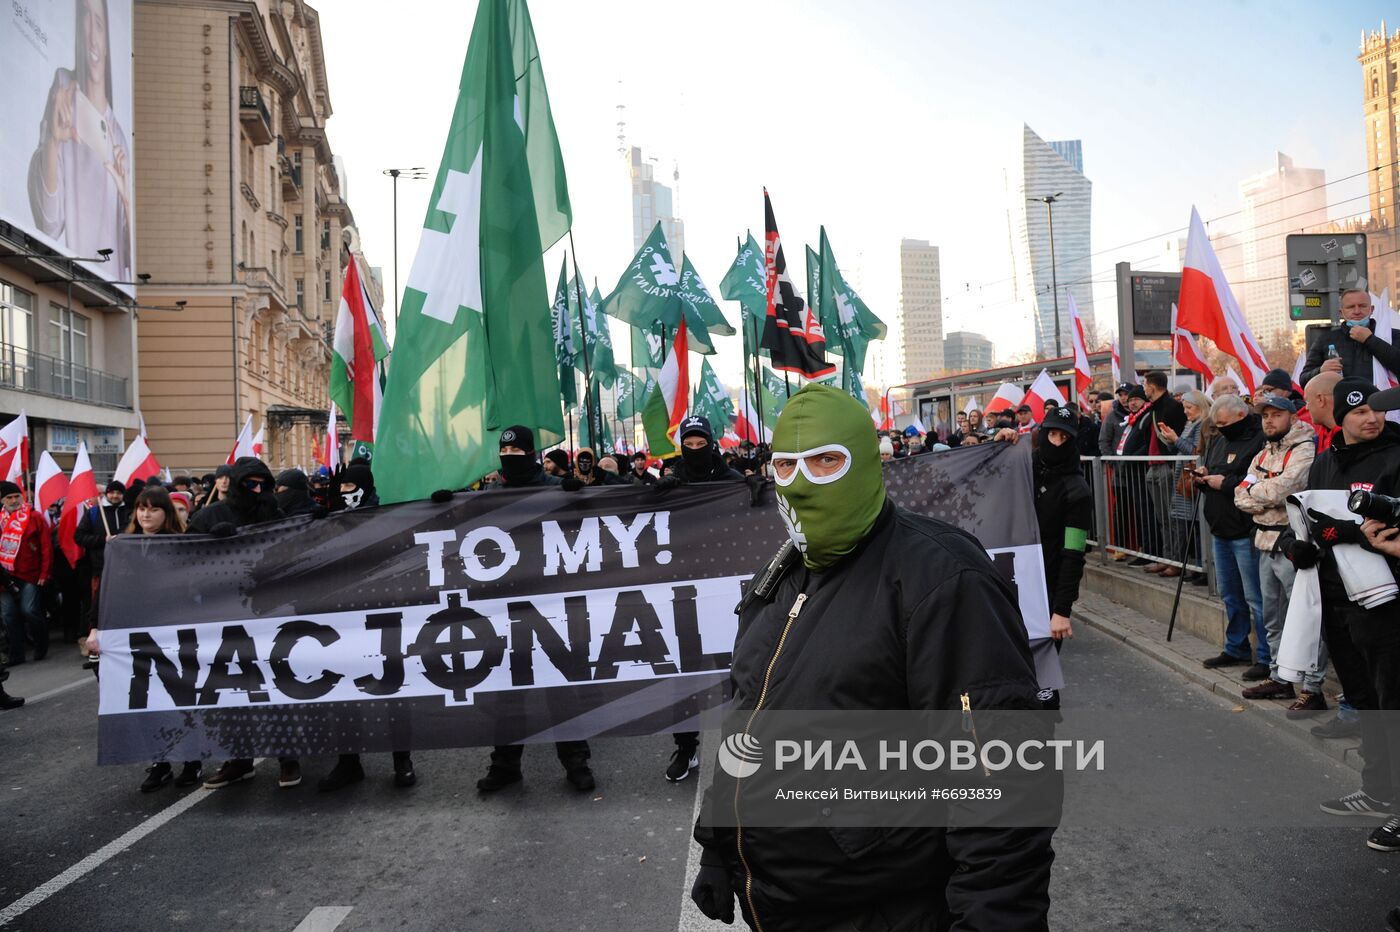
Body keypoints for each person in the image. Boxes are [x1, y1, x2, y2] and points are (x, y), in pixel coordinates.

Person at [689, 384, 1054, 930]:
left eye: (826, 462)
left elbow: (1001, 780)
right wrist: (720, 846)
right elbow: (749, 713)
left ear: (865, 464)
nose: (803, 484)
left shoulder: (942, 578)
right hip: (781, 905)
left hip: (888, 908)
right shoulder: (783, 573)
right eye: (785, 467)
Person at [1283, 380, 1400, 847]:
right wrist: (1299, 547)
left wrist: (1346, 533)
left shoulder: (1396, 456)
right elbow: (1307, 521)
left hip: (1386, 600)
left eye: (1376, 411)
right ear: (1339, 416)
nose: (1371, 419)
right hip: (1335, 599)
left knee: (1393, 704)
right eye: (1359, 413)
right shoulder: (1327, 460)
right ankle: (1378, 791)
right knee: (1365, 703)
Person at [478, 426, 595, 793]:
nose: (509, 459)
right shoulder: (491, 494)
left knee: (561, 690)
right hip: (506, 607)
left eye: (517, 453)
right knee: (508, 694)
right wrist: (447, 508)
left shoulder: (553, 487)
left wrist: (580, 498)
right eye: (504, 453)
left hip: (552, 605)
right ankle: (505, 765)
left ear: (530, 453)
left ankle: (576, 763)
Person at [190, 458, 298, 789]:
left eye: (263, 484)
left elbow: (294, 551)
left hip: (268, 614)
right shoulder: (210, 516)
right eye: (249, 484)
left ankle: (288, 756)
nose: (257, 490)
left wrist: (315, 522)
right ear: (236, 484)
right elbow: (183, 559)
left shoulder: (274, 514)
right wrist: (209, 539)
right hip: (225, 617)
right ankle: (239, 759)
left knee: (276, 687)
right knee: (233, 690)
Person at [86, 487, 202, 791]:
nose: (146, 514)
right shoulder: (123, 547)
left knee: (180, 697)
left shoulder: (179, 545)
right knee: (144, 699)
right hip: (134, 633)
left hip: (172, 632)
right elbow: (107, 592)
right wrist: (94, 627)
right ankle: (159, 761)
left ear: (166, 513)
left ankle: (192, 761)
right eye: (141, 509)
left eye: (153, 509)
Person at [317, 461, 415, 792]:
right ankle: (348, 763)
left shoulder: (386, 518)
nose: (345, 494)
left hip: (382, 616)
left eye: (349, 487)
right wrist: (324, 518)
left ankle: (402, 761)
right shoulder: (334, 520)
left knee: (391, 693)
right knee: (344, 695)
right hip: (342, 619)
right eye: (341, 488)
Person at [26, 0, 134, 283]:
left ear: (108, 38)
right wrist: (52, 141)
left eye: (99, 24)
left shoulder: (120, 136)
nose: (91, 36)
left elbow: (129, 259)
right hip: (68, 280)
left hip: (112, 291)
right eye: (84, 18)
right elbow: (48, 225)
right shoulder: (63, 90)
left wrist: (126, 199)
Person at [661, 414, 744, 782]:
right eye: (689, 444)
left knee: (738, 668)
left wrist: (756, 487)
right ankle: (686, 747)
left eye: (701, 443)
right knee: (685, 673)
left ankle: (743, 744)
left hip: (725, 589)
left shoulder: (731, 481)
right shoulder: (670, 481)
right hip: (681, 588)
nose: (696, 450)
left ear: (712, 444)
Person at [1234, 395, 1324, 714]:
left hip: (1292, 543)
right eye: (1265, 416)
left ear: (1291, 416)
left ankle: (1312, 687)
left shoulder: (1304, 449)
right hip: (1263, 541)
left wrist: (1260, 492)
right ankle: (1280, 677)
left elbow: (1286, 490)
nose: (1269, 421)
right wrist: (1263, 494)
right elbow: (1240, 494)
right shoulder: (1263, 452)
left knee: (1305, 617)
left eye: (1276, 415)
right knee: (1272, 618)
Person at [1193, 395, 1269, 677]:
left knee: (1255, 597)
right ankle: (1236, 646)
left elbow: (1257, 482)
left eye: (1224, 423)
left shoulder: (1259, 439)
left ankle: (1265, 655)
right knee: (1230, 595)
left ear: (1239, 416)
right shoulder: (1217, 438)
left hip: (1244, 529)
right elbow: (1215, 471)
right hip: (1219, 527)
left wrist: (1223, 483)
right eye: (1217, 424)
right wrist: (1203, 476)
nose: (1219, 427)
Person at [1032, 407, 1091, 711]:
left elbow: (1074, 552)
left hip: (1049, 587)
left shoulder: (1077, 491)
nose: (1055, 442)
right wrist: (1004, 440)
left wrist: (1062, 610)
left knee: (1042, 692)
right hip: (1012, 581)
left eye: (1063, 437)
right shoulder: (1023, 469)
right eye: (1051, 434)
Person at [1126, 371, 1188, 576]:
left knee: (1173, 518)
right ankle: (1166, 557)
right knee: (1162, 518)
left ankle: (1177, 561)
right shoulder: (1151, 409)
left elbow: (1176, 438)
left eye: (1145, 385)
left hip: (1167, 467)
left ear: (1153, 386)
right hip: (1152, 467)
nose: (1144, 389)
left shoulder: (1172, 407)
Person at [1299, 289, 1400, 385]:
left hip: (1382, 400)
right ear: (1341, 313)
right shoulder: (1325, 339)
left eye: (1362, 306)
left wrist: (1370, 340)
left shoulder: (1393, 335)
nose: (1357, 311)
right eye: (1351, 307)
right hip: (1341, 401)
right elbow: (1303, 380)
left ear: (1371, 309)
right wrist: (1320, 371)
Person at [0, 480, 52, 665]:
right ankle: (16, 654)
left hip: (30, 574)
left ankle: (41, 644)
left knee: (29, 611)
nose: (14, 500)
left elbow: (46, 547)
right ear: (2, 500)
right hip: (3, 577)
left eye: (17, 496)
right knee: (8, 616)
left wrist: (44, 573)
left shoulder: (34, 516)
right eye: (9, 497)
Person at [74, 480, 129, 628]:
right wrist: (103, 540)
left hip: (127, 568)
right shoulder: (94, 512)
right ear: (107, 494)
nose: (115, 496)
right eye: (112, 492)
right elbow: (79, 537)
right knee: (99, 604)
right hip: (100, 568)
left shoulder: (130, 512)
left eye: (118, 493)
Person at [1099, 384, 1131, 456]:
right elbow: (1104, 440)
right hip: (1118, 463)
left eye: (1126, 394)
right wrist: (1111, 460)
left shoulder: (1140, 413)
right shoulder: (1111, 416)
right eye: (1120, 395)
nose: (1123, 398)